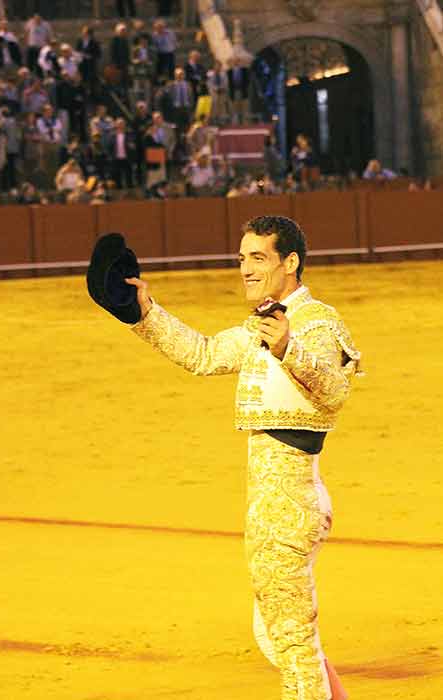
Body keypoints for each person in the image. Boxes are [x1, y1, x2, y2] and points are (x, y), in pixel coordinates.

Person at [122, 215, 359, 700]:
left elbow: (334, 391)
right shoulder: (262, 326)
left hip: (289, 505)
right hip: (269, 506)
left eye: (258, 258)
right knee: (279, 635)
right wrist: (144, 313)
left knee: (292, 642)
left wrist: (290, 346)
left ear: (290, 262)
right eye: (242, 259)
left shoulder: (317, 322)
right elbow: (203, 354)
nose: (246, 269)